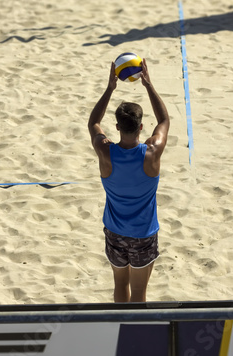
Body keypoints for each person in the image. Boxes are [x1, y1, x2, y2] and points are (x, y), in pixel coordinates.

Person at [88, 59, 169, 302]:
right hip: (143, 233)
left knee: (120, 284)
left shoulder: (105, 151)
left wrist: (110, 88)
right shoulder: (151, 152)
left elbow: (93, 122)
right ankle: (135, 335)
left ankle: (119, 327)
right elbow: (164, 121)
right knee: (140, 293)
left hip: (115, 232)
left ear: (117, 126)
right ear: (142, 127)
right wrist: (148, 85)